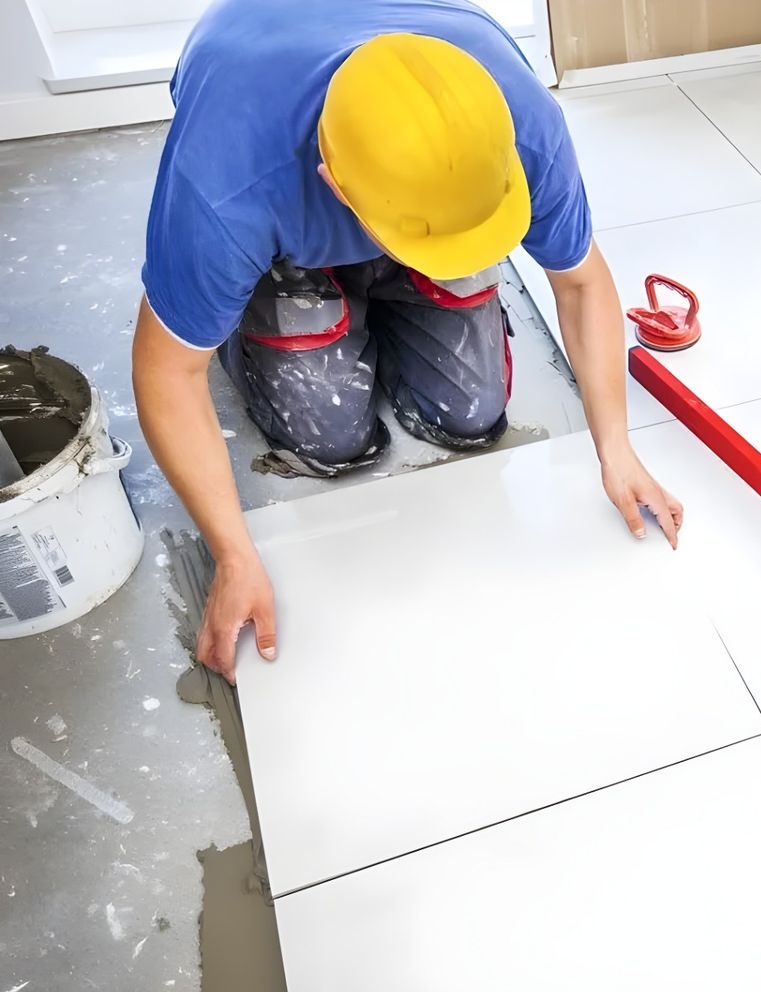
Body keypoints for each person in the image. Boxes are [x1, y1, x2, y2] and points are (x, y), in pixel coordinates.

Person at [132, 1, 683, 682]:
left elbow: (581, 283)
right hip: (277, 164)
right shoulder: (228, 179)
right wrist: (234, 553)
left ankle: (405, 264)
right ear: (336, 185)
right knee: (330, 433)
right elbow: (166, 371)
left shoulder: (515, 122)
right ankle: (268, 295)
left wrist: (617, 448)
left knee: (470, 412)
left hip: (408, 170)